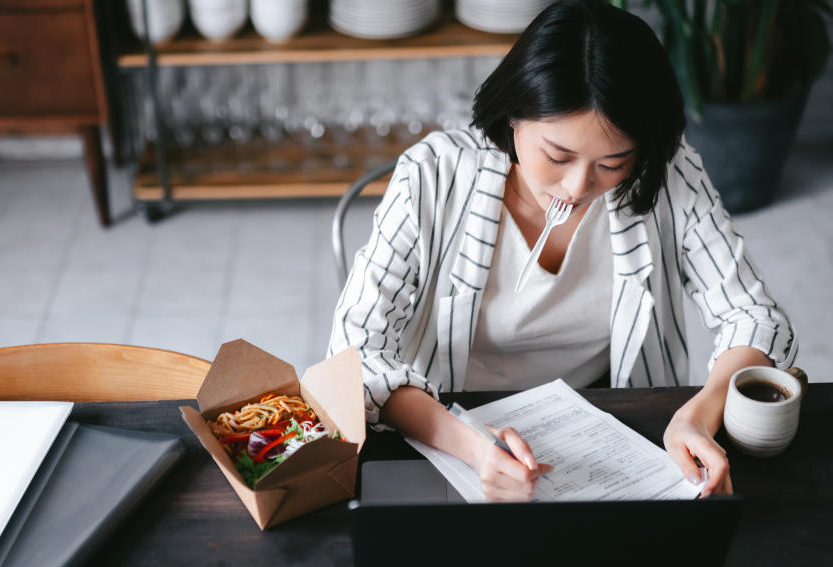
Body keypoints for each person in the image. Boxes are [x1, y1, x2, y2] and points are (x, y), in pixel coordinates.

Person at [327, 0, 797, 502]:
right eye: (557, 156)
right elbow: (355, 357)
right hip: (451, 423)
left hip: (608, 427)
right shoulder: (432, 176)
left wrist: (698, 415)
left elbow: (756, 317)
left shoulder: (668, 174)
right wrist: (472, 447)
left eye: (612, 163)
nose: (576, 188)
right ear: (514, 115)